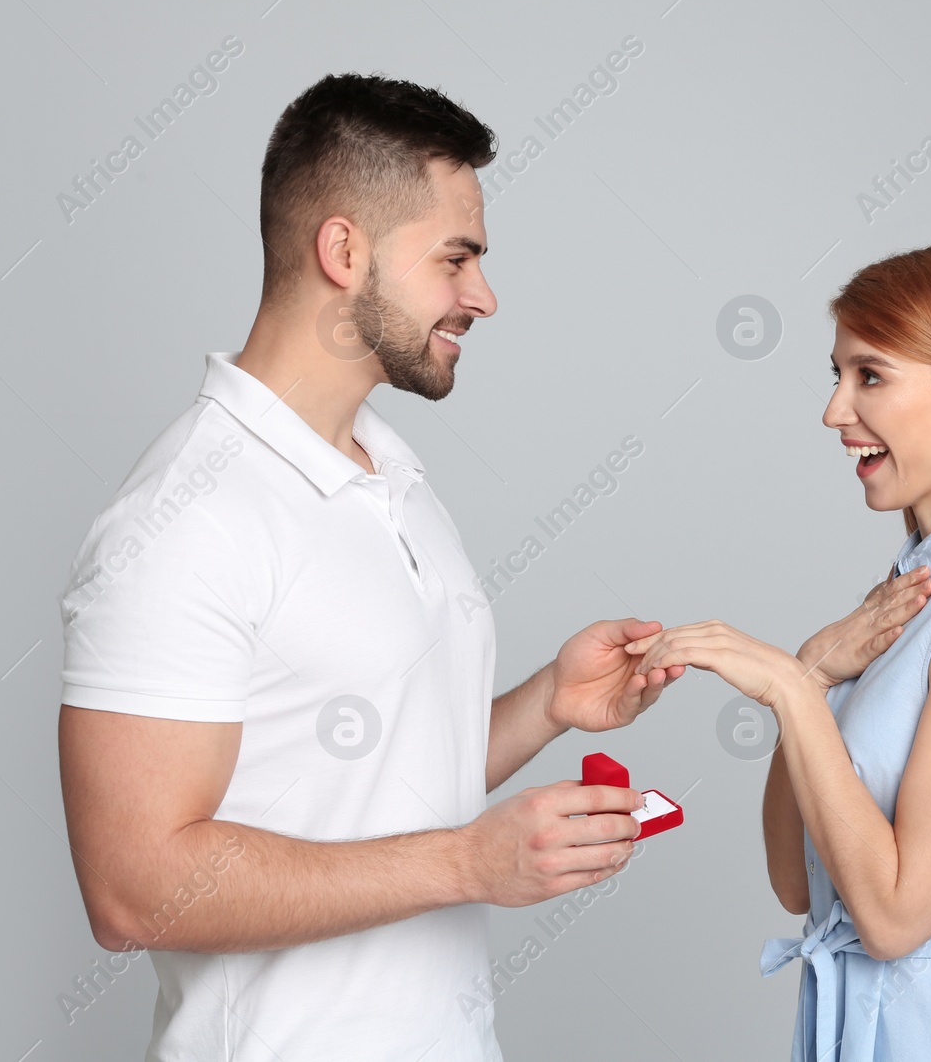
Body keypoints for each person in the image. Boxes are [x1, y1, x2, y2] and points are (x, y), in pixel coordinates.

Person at [52, 73, 698, 1061]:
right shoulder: (184, 520)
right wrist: (465, 862)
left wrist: (546, 704)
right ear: (344, 251)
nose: (482, 295)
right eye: (455, 258)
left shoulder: (390, 475)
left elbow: (362, 776)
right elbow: (134, 887)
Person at [629, 241, 931, 1061]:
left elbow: (891, 917)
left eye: (870, 375)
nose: (834, 411)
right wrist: (813, 673)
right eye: (837, 374)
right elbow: (795, 881)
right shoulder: (911, 596)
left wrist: (787, 684)